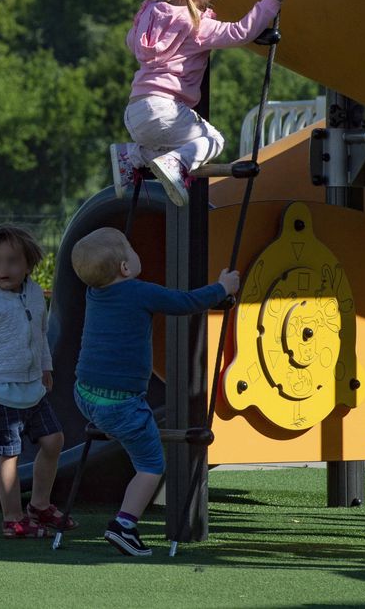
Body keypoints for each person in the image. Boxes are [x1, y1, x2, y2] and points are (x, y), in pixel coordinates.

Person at [70, 227, 240, 557]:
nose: (136, 253)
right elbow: (185, 302)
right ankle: (124, 525)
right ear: (124, 268)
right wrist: (222, 287)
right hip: (122, 405)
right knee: (151, 466)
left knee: (118, 422)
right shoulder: (140, 292)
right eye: (132, 249)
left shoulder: (94, 293)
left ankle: (113, 434)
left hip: (84, 395)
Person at [109, 0, 287, 207]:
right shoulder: (197, 25)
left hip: (135, 110)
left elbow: (130, 41)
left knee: (172, 144)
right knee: (214, 140)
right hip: (164, 109)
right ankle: (176, 164)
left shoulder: (148, 13)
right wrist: (271, 0)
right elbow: (241, 32)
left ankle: (131, 156)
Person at [0, 225, 75, 539]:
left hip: (33, 389)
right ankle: (13, 517)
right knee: (8, 453)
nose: (3, 269)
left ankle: (39, 505)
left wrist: (46, 367)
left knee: (54, 441)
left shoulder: (34, 293)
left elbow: (40, 333)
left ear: (27, 265)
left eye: (12, 261)